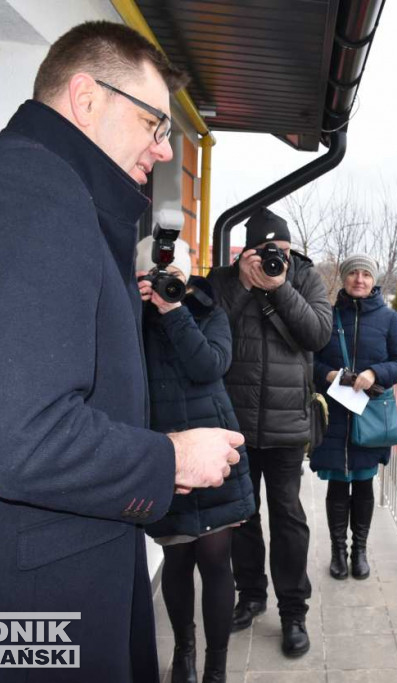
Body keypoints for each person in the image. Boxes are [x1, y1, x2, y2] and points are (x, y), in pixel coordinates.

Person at [0, 22, 242, 683]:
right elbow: (22, 439)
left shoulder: (50, 191)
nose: (163, 150)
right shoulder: (25, 188)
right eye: (154, 124)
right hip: (6, 612)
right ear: (86, 96)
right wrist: (170, 457)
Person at [206, 207, 332, 657]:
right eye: (264, 253)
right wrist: (242, 285)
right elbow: (209, 330)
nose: (273, 259)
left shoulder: (305, 277)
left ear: (290, 248)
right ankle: (252, 595)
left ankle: (293, 612)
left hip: (284, 425)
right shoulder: (224, 280)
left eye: (280, 251)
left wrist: (279, 289)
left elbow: (317, 334)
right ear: (248, 252)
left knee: (288, 519)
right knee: (242, 517)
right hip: (234, 423)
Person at [136, 237, 256, 683]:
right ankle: (184, 655)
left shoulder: (209, 312)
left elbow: (208, 366)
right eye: (157, 278)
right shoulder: (131, 319)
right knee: (178, 557)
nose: (167, 284)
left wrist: (174, 311)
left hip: (213, 450)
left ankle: (217, 666)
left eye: (175, 278)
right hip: (163, 452)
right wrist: (135, 304)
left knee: (214, 558)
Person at [310, 254, 397, 580]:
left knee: (364, 481)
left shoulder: (388, 318)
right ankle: (338, 551)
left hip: (369, 415)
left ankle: (360, 551)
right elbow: (308, 361)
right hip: (335, 415)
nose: (359, 279)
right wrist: (326, 376)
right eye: (353, 273)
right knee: (338, 484)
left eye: (365, 274)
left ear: (374, 280)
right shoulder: (327, 315)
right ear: (343, 278)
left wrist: (374, 372)